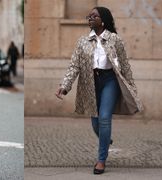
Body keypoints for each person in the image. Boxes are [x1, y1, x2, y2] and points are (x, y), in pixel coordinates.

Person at [55, 7, 143, 175]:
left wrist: (131, 88)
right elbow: (74, 66)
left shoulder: (114, 39)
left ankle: (101, 160)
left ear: (103, 20)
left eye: (94, 16)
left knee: (104, 118)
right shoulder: (83, 42)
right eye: (89, 16)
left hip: (110, 81)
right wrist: (65, 86)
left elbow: (124, 66)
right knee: (96, 123)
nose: (90, 18)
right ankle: (105, 138)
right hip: (91, 82)